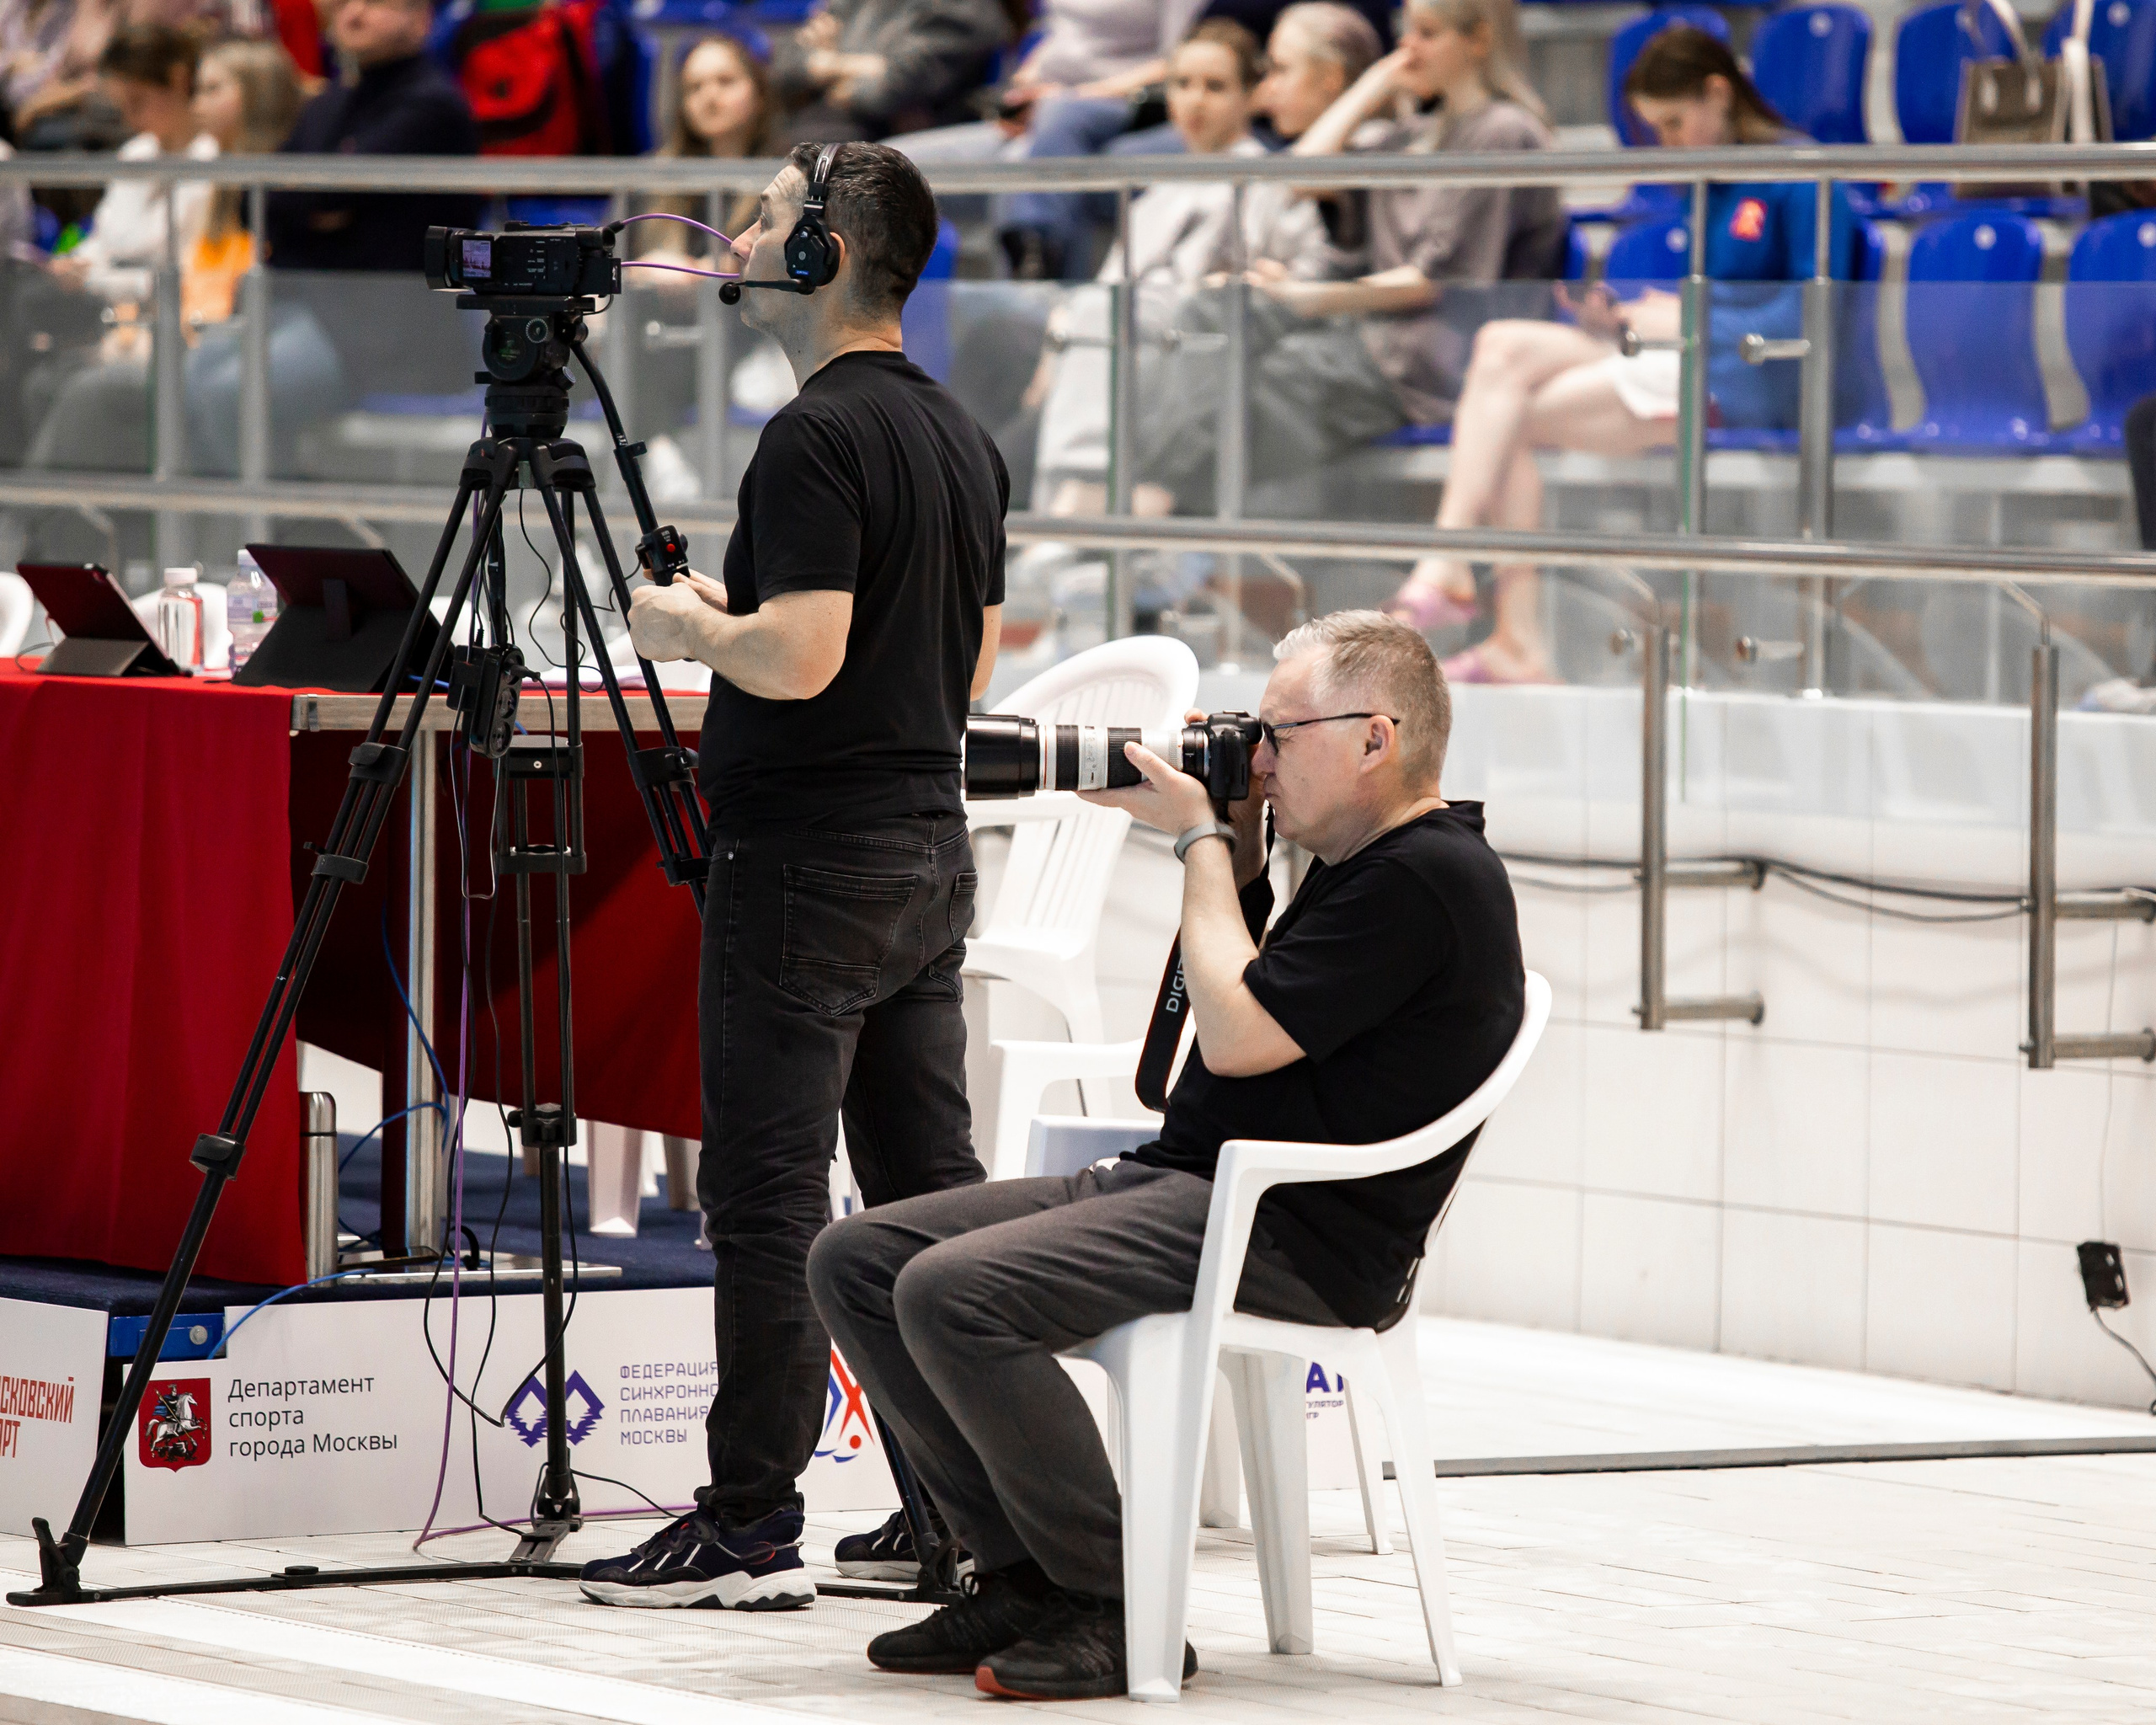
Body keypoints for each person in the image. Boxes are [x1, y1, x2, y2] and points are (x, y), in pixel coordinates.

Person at [805, 608, 1524, 1699]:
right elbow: (1232, 1021)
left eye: (1280, 734)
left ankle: (1113, 1601)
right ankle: (1020, 1577)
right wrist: (1240, 857)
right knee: (858, 1260)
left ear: (1376, 738)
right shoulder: (1356, 864)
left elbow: (1233, 1037)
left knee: (955, 1293)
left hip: (1286, 1230)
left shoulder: (1426, 876)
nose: (1258, 758)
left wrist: (1198, 842)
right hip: (1190, 1185)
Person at [584, 141, 1007, 1612]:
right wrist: (743, 611)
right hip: (923, 853)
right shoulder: (957, 431)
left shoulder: (814, 436)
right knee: (924, 1196)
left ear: (825, 253)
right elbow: (954, 656)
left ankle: (750, 1518)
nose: (743, 235)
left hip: (809, 864)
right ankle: (964, 1512)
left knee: (771, 1198)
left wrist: (687, 631)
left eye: (768, 216)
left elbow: (808, 656)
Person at [1385, 23, 1860, 684]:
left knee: (1501, 418)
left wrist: (1689, 317)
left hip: (1745, 381)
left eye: (1673, 122)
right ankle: (1467, 582)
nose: (1667, 143)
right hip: (1681, 355)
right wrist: (1621, 321)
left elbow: (1811, 319)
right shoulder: (1710, 182)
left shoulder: (1802, 176)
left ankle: (1500, 619)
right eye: (1656, 127)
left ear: (1718, 93)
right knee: (1500, 350)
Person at [1123, 0, 1564, 519]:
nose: (1408, 48)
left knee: (1244, 396)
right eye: (1405, 32)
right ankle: (1143, 524)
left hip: (1426, 363)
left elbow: (1434, 282)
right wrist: (1376, 83)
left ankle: (1141, 526)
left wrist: (1309, 299)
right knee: (1209, 319)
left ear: (1479, 40)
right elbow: (1300, 178)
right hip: (1367, 342)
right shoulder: (1412, 136)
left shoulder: (1503, 132)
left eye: (1427, 33)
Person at [1031, 21, 1325, 520]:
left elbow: (1306, 274)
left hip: (1201, 340)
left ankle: (1077, 509)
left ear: (1250, 95)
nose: (1195, 101)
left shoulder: (1272, 180)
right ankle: (1062, 511)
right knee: (1053, 323)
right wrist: (1058, 332)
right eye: (1183, 84)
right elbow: (1108, 284)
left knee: (1100, 317)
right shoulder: (1155, 194)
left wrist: (1264, 281)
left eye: (1215, 86)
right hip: (1126, 338)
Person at [18, 35, 300, 490]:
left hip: (204, 347)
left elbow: (217, 297)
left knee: (90, 390)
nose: (198, 103)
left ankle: (33, 517)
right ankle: (75, 522)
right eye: (199, 89)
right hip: (167, 332)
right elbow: (160, 264)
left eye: (212, 90)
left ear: (256, 98)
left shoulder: (262, 189)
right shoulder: (218, 179)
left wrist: (145, 327)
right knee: (46, 380)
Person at [50, 22, 213, 307]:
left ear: (178, 80)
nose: (129, 119)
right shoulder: (135, 152)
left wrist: (93, 279)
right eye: (121, 106)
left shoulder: (212, 160)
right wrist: (75, 262)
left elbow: (186, 272)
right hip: (111, 306)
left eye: (137, 102)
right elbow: (104, 238)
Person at [771, 0, 1011, 144]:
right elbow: (784, 66)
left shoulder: (963, 8)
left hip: (896, 141)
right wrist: (857, 67)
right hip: (816, 129)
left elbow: (885, 92)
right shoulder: (852, 4)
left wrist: (823, 69)